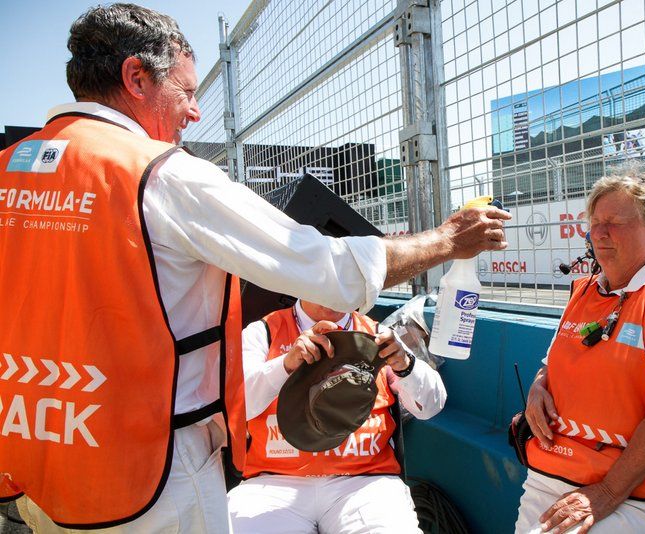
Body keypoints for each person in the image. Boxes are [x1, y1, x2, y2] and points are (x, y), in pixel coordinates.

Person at [0, 4, 510, 532]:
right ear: (136, 77)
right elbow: (331, 268)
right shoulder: (161, 175)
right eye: (186, 91)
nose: (195, 112)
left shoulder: (8, 170)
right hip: (146, 473)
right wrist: (449, 240)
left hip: (35, 457)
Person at [515, 164, 645, 533]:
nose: (599, 232)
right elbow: (552, 364)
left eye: (614, 222)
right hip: (556, 472)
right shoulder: (585, 291)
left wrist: (608, 492)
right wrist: (537, 387)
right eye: (595, 222)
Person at [227, 299, 446, 533]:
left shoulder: (377, 334)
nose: (333, 291)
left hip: (364, 481)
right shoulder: (264, 331)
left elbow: (431, 406)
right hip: (272, 483)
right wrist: (286, 365)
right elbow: (237, 405)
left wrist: (406, 365)